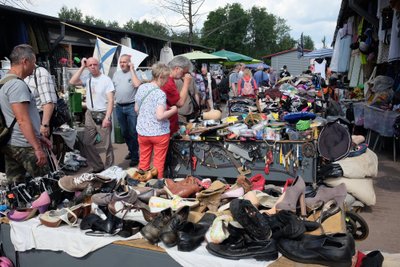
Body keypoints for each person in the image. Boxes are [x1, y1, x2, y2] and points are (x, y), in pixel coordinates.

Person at [0, 44, 51, 185]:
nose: (34, 67)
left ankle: (17, 206)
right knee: (48, 183)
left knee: (16, 186)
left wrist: (39, 137)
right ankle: (50, 207)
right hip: (24, 144)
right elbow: (22, 120)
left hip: (10, 143)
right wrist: (37, 148)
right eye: (33, 63)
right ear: (25, 61)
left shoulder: (4, 82)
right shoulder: (17, 85)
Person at [69, 57, 115, 173]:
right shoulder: (87, 78)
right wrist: (82, 67)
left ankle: (110, 169)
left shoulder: (106, 80)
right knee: (87, 142)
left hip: (102, 113)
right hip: (90, 113)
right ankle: (98, 166)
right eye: (90, 65)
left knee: (107, 145)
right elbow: (72, 82)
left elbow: (111, 100)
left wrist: (107, 117)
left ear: (99, 65)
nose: (93, 67)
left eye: (95, 64)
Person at [135, 63, 177, 178]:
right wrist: (173, 110)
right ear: (160, 77)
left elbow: (136, 109)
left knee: (143, 161)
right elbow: (160, 116)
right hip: (159, 132)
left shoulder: (141, 88)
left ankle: (142, 185)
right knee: (158, 162)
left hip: (143, 131)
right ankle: (156, 185)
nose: (167, 81)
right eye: (166, 78)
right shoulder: (160, 93)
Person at [112, 54, 141, 167]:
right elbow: (113, 89)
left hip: (131, 106)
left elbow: (137, 84)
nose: (122, 64)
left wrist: (132, 69)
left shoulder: (134, 73)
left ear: (129, 63)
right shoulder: (116, 74)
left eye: (125, 62)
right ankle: (132, 150)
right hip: (119, 107)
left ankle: (135, 156)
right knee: (124, 132)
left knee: (133, 132)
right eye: (121, 62)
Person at [161, 56, 193, 134]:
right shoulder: (168, 82)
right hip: (166, 127)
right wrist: (186, 83)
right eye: (184, 72)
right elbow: (180, 103)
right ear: (177, 68)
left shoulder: (166, 79)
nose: (184, 75)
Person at [24, 65, 57, 137]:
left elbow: (49, 102)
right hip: (27, 119)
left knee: (40, 145)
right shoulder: (21, 74)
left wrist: (44, 125)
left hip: (39, 118)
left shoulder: (40, 72)